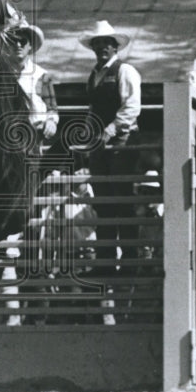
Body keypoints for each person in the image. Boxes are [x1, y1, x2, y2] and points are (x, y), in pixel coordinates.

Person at [75, 20, 142, 288]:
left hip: (122, 142)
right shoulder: (94, 75)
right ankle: (104, 262)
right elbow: (94, 109)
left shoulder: (125, 71)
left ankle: (130, 261)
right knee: (102, 201)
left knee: (122, 200)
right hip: (100, 144)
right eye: (98, 44)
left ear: (115, 46)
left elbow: (132, 107)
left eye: (106, 43)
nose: (102, 47)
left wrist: (111, 129)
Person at [7, 22, 59, 146]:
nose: (18, 45)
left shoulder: (41, 75)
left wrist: (51, 121)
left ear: (30, 46)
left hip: (34, 136)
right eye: (13, 41)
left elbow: (51, 108)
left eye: (23, 41)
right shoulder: (1, 74)